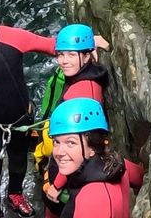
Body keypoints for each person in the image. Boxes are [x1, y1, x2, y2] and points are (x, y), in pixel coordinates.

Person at [0, 0, 107, 218]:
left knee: (19, 164)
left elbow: (51, 46)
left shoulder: (12, 37)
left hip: (20, 121)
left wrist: (88, 42)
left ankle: (15, 195)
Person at [35, 24, 110, 217]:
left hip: (68, 174)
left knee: (53, 205)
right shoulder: (88, 72)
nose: (63, 61)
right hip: (69, 161)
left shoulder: (82, 94)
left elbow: (77, 146)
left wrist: (57, 184)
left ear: (85, 57)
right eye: (61, 55)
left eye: (71, 55)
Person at [48, 98, 145, 218]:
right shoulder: (113, 163)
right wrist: (57, 184)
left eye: (71, 143)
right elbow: (142, 176)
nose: (59, 152)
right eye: (56, 142)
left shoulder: (93, 201)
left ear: (92, 148)